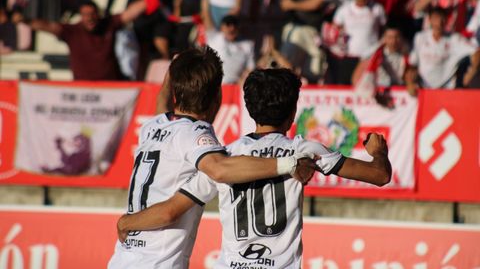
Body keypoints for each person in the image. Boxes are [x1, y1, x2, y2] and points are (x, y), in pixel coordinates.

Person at [116, 68, 392, 268]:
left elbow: (170, 210)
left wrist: (127, 221)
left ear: (249, 109)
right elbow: (379, 176)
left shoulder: (226, 159)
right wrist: (378, 152)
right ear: (293, 112)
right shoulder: (305, 151)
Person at [107, 47, 316, 269]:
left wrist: (172, 71)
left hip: (122, 258)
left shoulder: (152, 126)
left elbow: (162, 103)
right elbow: (219, 170)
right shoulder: (197, 137)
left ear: (176, 91)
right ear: (218, 97)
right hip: (157, 263)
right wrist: (289, 163)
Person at [27, 0, 147, 80]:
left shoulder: (108, 25)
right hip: (82, 90)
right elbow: (48, 26)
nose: (89, 18)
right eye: (85, 15)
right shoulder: (72, 31)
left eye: (92, 14)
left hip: (111, 88)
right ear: (80, 16)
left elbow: (130, 13)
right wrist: (23, 20)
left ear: (98, 15)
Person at [406, 7, 479, 95]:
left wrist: (472, 72)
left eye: (442, 18)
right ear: (429, 20)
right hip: (423, 89)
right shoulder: (420, 37)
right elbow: (412, 66)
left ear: (446, 20)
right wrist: (409, 83)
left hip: (448, 90)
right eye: (436, 18)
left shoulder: (454, 39)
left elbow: (477, 52)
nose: (439, 22)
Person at [203, 13, 254, 85]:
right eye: (228, 24)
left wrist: (244, 79)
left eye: (235, 25)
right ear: (222, 27)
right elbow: (206, 14)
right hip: (215, 85)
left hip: (236, 87)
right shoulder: (213, 38)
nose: (232, 28)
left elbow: (250, 67)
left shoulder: (248, 44)